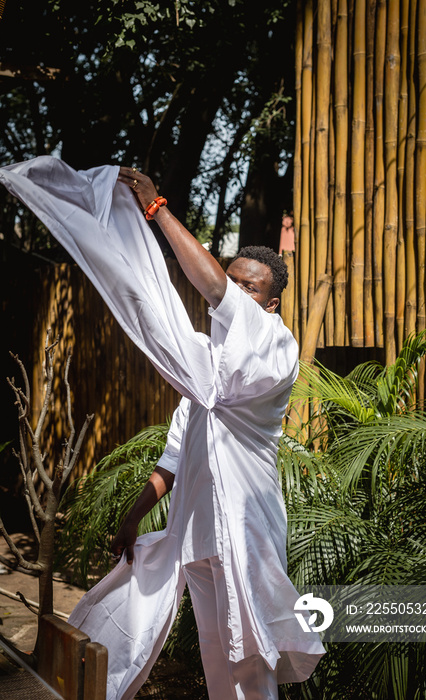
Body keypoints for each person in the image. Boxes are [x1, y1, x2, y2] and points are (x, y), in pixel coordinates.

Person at [0, 157, 325, 700]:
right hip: (194, 537)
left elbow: (213, 287)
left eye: (251, 288)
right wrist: (132, 518)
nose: (238, 293)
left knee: (250, 662)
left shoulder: (276, 345)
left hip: (245, 535)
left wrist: (156, 209)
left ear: (270, 303)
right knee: (216, 657)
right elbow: (170, 463)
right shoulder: (201, 371)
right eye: (236, 280)